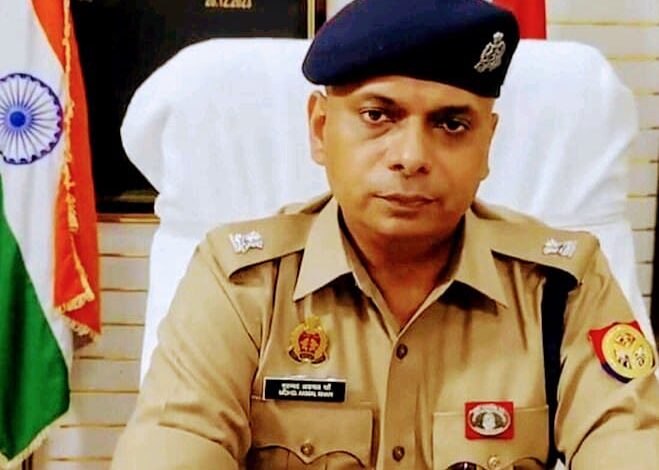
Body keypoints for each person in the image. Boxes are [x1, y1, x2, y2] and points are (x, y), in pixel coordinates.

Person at [111, 0, 659, 468]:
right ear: (321, 129)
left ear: (486, 145)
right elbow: (176, 444)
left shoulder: (562, 285)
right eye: (378, 116)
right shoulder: (243, 283)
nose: (412, 156)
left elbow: (626, 444)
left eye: (451, 124)